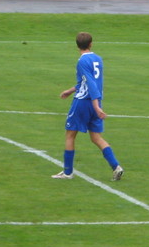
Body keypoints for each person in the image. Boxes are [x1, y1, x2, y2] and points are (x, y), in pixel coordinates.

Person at [53, 31, 124, 180]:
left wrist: (96, 106)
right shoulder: (98, 59)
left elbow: (90, 84)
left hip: (84, 102)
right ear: (91, 44)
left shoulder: (82, 62)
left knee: (70, 135)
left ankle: (67, 172)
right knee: (96, 137)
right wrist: (70, 90)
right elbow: (89, 82)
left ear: (77, 45)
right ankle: (116, 166)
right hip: (96, 101)